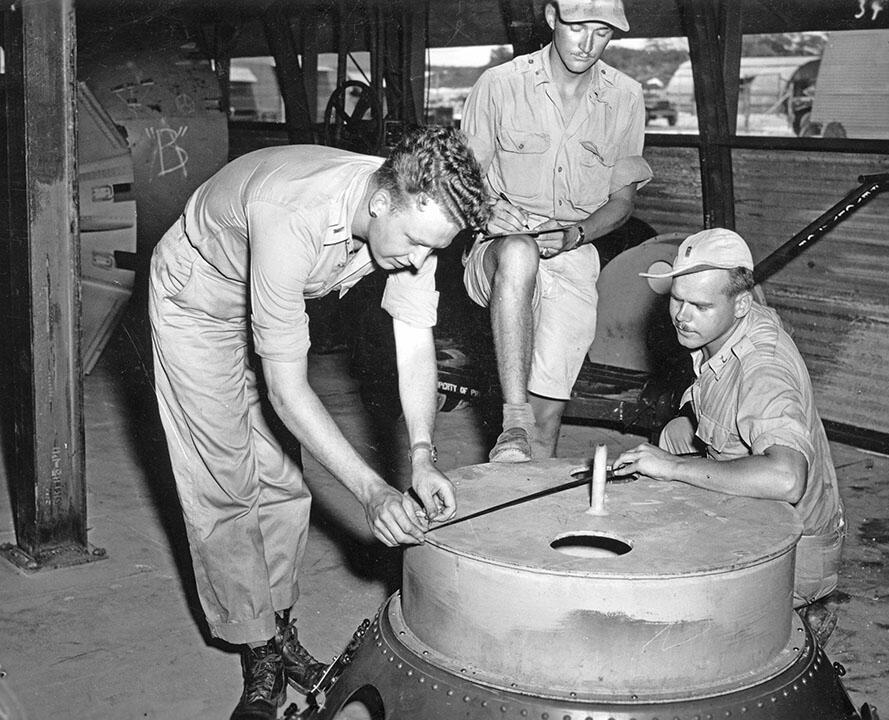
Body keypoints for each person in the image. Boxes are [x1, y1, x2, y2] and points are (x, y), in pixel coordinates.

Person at [148, 127, 488, 720]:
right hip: (198, 299)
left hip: (270, 294)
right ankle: (256, 649)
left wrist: (422, 454)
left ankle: (275, 629)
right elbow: (287, 389)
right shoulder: (294, 214)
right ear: (380, 201)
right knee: (224, 479)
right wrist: (371, 491)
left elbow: (413, 344)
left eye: (434, 249)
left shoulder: (415, 214)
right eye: (413, 244)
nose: (418, 262)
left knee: (283, 476)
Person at [611, 228, 846, 615]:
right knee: (675, 433)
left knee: (652, 607)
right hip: (770, 527)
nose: (682, 318)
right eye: (676, 300)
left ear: (740, 305)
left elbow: (786, 478)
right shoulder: (730, 327)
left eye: (700, 306)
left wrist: (673, 468)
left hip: (792, 554)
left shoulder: (763, 365)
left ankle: (796, 614)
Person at [460, 0, 652, 462]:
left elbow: (622, 202)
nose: (587, 45)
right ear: (551, 18)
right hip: (497, 248)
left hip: (572, 256)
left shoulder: (625, 98)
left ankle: (525, 512)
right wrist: (485, 212)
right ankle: (511, 417)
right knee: (520, 252)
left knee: (546, 420)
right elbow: (458, 180)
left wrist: (577, 233)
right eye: (577, 27)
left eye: (602, 32)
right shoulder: (500, 86)